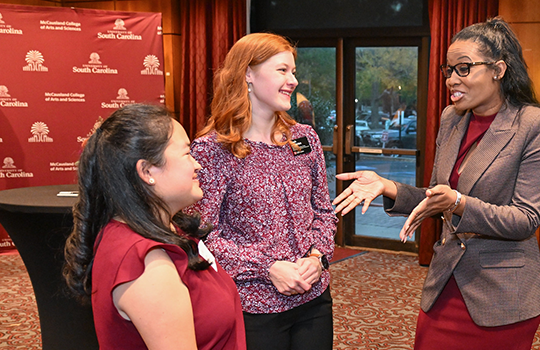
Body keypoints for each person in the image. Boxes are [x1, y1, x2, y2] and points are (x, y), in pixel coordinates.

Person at [333, 17, 540, 349]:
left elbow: (525, 219)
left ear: (498, 69)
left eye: (464, 68)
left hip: (502, 294)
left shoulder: (537, 124)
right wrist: (388, 186)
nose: (452, 80)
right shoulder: (451, 118)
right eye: (449, 70)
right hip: (445, 284)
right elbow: (435, 194)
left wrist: (458, 203)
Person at [189, 32, 337, 350]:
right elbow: (200, 236)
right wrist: (267, 267)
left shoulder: (304, 138)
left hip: (314, 298)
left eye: (293, 71)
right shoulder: (212, 149)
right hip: (253, 306)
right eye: (282, 70)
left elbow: (323, 210)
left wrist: (318, 257)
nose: (293, 80)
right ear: (247, 75)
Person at [62, 103, 246, 349]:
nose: (197, 165)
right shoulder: (146, 264)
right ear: (147, 170)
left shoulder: (164, 229)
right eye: (187, 153)